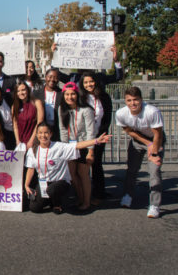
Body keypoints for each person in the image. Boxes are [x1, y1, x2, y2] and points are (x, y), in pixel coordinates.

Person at [25, 122, 111, 214]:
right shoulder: (33, 150)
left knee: (52, 190)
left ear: (51, 134)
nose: (43, 135)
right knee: (34, 208)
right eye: (40, 133)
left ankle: (57, 203)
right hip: (44, 183)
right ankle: (49, 200)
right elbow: (31, 169)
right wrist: (26, 185)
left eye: (46, 132)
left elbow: (77, 145)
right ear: (37, 134)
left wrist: (96, 141)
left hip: (60, 182)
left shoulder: (59, 147)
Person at [116, 87, 165, 218]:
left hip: (156, 140)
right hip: (138, 140)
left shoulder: (152, 111)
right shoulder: (121, 113)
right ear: (125, 101)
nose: (133, 103)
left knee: (154, 171)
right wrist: (146, 143)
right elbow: (128, 131)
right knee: (132, 170)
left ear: (141, 100)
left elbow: (158, 134)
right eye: (129, 100)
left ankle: (154, 205)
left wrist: (153, 151)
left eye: (136, 100)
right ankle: (128, 195)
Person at [58, 82, 96, 211]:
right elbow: (62, 130)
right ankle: (80, 199)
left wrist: (91, 151)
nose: (70, 97)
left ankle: (87, 201)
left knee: (83, 174)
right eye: (67, 94)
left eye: (72, 94)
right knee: (73, 175)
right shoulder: (61, 109)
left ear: (77, 94)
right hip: (70, 147)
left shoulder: (87, 110)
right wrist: (64, 149)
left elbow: (91, 131)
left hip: (84, 145)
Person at [79, 71, 113, 204]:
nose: (89, 84)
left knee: (97, 164)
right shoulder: (81, 98)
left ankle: (99, 193)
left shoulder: (104, 97)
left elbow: (107, 117)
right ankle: (84, 193)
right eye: (86, 82)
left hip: (100, 136)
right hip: (84, 137)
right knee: (84, 164)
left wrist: (101, 134)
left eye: (91, 81)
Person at [52, 43, 123, 91]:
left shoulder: (100, 78)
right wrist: (55, 55)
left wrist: (116, 60)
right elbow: (56, 74)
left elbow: (117, 77)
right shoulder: (73, 78)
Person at [32, 68, 63, 141]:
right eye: (50, 77)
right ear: (45, 77)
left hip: (57, 130)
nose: (52, 79)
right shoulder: (36, 93)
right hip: (41, 131)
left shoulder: (62, 94)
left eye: (55, 77)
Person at [12, 81, 44, 149]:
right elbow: (15, 126)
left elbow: (39, 123)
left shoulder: (37, 103)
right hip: (20, 142)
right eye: (18, 91)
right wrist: (17, 141)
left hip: (34, 140)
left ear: (28, 90)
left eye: (23, 90)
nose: (21, 93)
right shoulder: (14, 106)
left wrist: (31, 141)